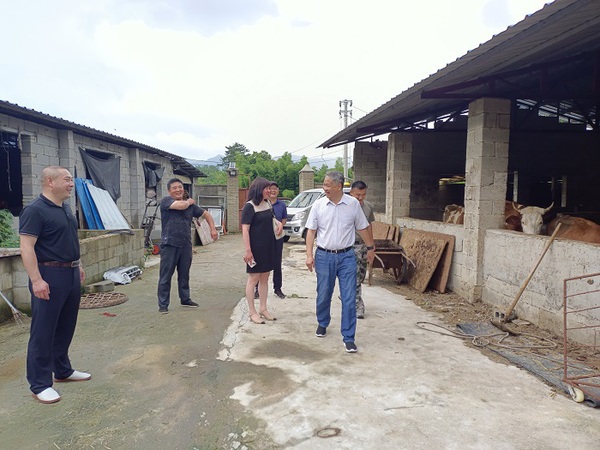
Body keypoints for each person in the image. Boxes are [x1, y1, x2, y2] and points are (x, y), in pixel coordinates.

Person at [19, 166, 90, 404]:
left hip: (70, 273)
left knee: (66, 326)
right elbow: (26, 247)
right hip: (49, 274)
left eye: (71, 180)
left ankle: (62, 370)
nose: (71, 184)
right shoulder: (35, 210)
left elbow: (68, 239)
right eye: (67, 180)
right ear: (50, 181)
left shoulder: (65, 208)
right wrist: (36, 280)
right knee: (43, 331)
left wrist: (78, 264)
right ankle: (39, 384)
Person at [305, 171, 375, 353]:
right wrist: (309, 255)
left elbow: (363, 227)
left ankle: (349, 337)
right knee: (324, 293)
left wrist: (370, 248)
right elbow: (311, 231)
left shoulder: (352, 204)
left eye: (328, 185)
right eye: (324, 184)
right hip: (324, 256)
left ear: (338, 186)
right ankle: (322, 322)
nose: (324, 188)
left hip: (347, 256)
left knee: (349, 296)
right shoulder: (319, 205)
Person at [157, 178, 218, 313]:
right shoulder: (166, 201)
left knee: (184, 274)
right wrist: (189, 201)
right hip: (169, 244)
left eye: (180, 187)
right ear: (169, 191)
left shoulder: (191, 207)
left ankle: (185, 299)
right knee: (166, 275)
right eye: (174, 188)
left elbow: (206, 214)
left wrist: (213, 229)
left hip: (185, 244)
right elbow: (181, 206)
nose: (178, 190)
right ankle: (163, 304)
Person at [242, 177, 279, 324]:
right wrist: (248, 250)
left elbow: (272, 220)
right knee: (253, 279)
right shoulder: (249, 206)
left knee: (265, 278)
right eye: (266, 188)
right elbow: (245, 230)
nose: (269, 191)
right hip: (255, 248)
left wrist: (279, 225)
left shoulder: (267, 203)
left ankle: (263, 309)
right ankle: (252, 312)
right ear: (259, 189)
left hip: (268, 246)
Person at [255, 181, 288, 299]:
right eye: (271, 188)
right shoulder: (262, 203)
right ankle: (257, 289)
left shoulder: (282, 205)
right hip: (264, 238)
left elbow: (284, 219)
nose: (273, 191)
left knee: (277, 262)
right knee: (261, 262)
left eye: (275, 189)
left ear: (278, 191)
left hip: (277, 237)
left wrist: (280, 227)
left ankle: (277, 288)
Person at [349, 180, 376, 319]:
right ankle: (358, 305)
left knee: (361, 275)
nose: (360, 198)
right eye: (357, 195)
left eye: (363, 194)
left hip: (364, 245)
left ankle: (347, 294)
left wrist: (371, 245)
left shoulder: (368, 206)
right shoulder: (346, 206)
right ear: (351, 193)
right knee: (354, 276)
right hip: (350, 246)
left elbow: (369, 226)